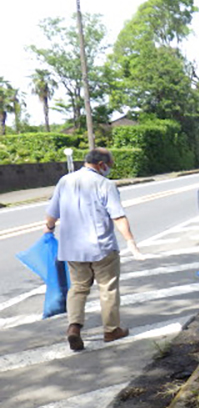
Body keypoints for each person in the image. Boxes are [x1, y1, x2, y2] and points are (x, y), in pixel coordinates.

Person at [44, 148, 144, 352]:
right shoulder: (105, 184)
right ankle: (111, 329)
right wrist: (131, 241)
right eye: (110, 165)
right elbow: (118, 216)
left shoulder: (65, 181)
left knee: (78, 288)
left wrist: (50, 228)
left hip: (72, 248)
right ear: (101, 165)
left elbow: (51, 214)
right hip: (101, 246)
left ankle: (74, 327)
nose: (109, 169)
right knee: (107, 287)